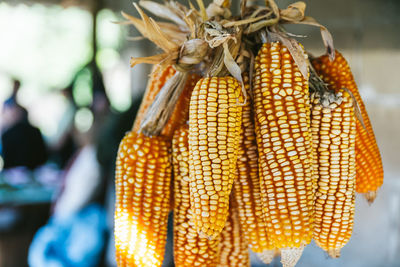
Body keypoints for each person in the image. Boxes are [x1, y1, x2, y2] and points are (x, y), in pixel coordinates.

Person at [1, 96, 48, 170]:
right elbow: (43, 157)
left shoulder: (7, 134)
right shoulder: (36, 131)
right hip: (35, 172)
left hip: (14, 173)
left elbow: (7, 160)